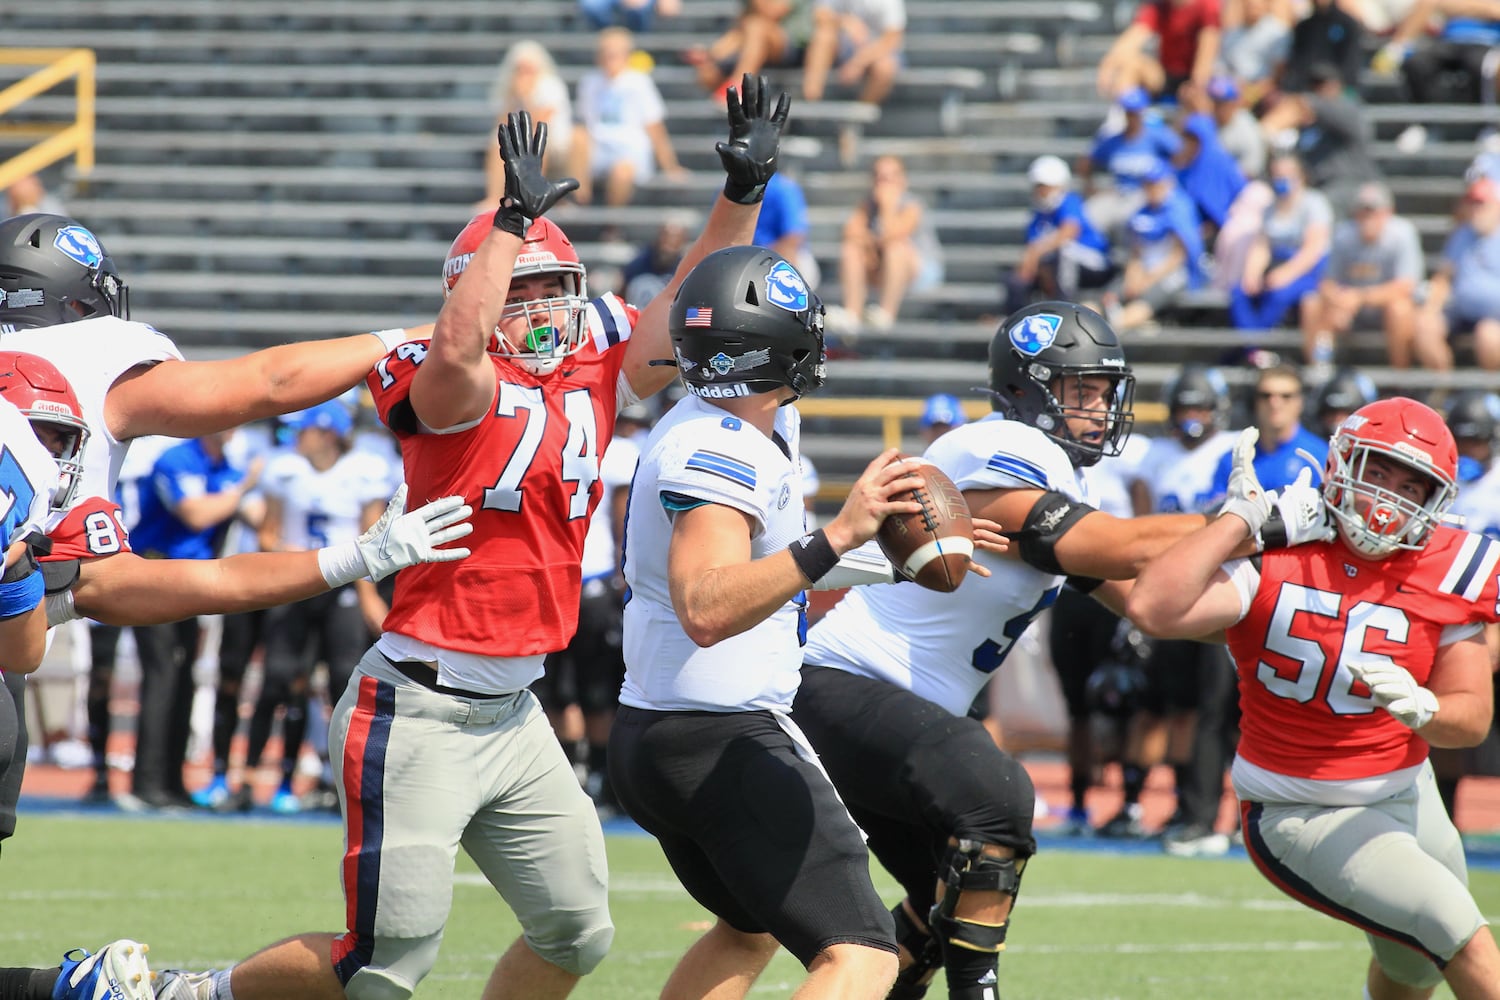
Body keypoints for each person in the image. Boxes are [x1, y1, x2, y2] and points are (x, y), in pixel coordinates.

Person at [153, 78, 795, 1000]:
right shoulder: (446, 377)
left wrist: (741, 195)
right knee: (381, 965)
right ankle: (193, 995)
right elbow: (455, 357)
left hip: (515, 709)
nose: (543, 311)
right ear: (480, 296)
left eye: (556, 289)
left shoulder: (592, 356)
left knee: (577, 931)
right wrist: (506, 228)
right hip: (415, 705)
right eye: (521, 292)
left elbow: (681, 316)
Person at [794, 302, 1329, 998]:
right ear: (1026, 389)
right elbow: (1120, 544)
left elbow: (1151, 603)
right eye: (1082, 390)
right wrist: (1248, 521)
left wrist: (1300, 610)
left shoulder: (1058, 477)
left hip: (889, 709)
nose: (1101, 407)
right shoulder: (998, 448)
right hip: (847, 685)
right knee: (1001, 801)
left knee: (939, 906)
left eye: (1105, 391)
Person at [0, 349, 470, 1000]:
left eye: (63, 441)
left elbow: (203, 581)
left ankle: (67, 987)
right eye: (43, 439)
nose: (59, 462)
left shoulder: (46, 531)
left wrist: (356, 558)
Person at [1128, 398, 1500, 1000]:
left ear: (1438, 500)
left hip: (1408, 789)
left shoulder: (1451, 567)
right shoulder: (1279, 549)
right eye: (1377, 472)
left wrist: (1425, 709)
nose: (1387, 499)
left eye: (1412, 485)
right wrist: (1240, 520)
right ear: (1342, 462)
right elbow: (1152, 607)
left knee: (1415, 968)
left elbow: (1472, 718)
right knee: (1460, 936)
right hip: (1301, 810)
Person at [611, 244, 903, 999]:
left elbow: (762, 566)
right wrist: (838, 536)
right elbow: (707, 605)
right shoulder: (717, 447)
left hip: (662, 730)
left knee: (749, 929)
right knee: (863, 954)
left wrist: (883, 560)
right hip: (719, 733)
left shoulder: (747, 422)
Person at [238, 400, 392, 814]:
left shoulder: (364, 470)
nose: (294, 438)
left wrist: (365, 595)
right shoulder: (285, 470)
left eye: (303, 430)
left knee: (345, 681)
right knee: (279, 679)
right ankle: (251, 779)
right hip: (295, 584)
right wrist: (298, 557)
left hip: (342, 587)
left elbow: (372, 540)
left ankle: (339, 781)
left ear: (326, 433)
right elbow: (267, 536)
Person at [122, 430, 257, 811]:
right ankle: (146, 784)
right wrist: (246, 487)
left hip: (193, 583)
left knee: (184, 679)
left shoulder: (225, 467)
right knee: (162, 674)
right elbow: (196, 515)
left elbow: (255, 515)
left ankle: (173, 782)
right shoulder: (176, 460)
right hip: (155, 574)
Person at [1301, 181, 1423, 371]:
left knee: (1399, 309)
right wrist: (1338, 299)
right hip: (1350, 308)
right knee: (1313, 304)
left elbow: (1405, 287)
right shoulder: (1344, 235)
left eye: (1373, 212)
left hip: (1382, 309)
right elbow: (1327, 283)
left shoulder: (1402, 235)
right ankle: (1320, 372)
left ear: (1387, 213)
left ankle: (1401, 377)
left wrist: (1360, 297)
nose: (1368, 219)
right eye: (1363, 213)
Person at [568, 27, 688, 207]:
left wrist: (670, 167)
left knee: (622, 171)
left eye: (614, 53)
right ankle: (579, 200)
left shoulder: (639, 82)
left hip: (629, 150)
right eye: (605, 53)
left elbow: (654, 126)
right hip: (598, 147)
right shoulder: (589, 82)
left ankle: (612, 222)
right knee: (578, 136)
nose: (609, 58)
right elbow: (585, 122)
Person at [825, 155, 942, 336]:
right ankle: (852, 313)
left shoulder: (912, 205)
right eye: (879, 177)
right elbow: (850, 233)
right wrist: (870, 244)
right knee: (851, 250)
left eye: (889, 177)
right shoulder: (867, 205)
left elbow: (893, 234)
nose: (883, 183)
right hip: (881, 267)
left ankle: (886, 314)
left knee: (896, 248)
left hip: (917, 270)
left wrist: (887, 206)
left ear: (902, 180)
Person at [1230, 154, 1332, 331]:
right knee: (1240, 292)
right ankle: (1251, 347)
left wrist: (1286, 274)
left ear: (1301, 175)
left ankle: (1252, 345)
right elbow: (1261, 246)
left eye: (1287, 174)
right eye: (1277, 174)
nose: (1282, 179)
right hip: (1276, 264)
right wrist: (1252, 274)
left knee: (1279, 295)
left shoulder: (1314, 203)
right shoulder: (1270, 208)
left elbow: (1313, 249)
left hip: (1307, 270)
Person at [1004, 155, 1113, 313]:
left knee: (1064, 252)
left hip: (1091, 261)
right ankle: (1016, 317)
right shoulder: (1038, 214)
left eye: (1045, 186)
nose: (1041, 191)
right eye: (1039, 186)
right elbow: (1033, 249)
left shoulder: (1069, 201)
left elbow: (1069, 231)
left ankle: (1064, 307)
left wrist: (1036, 252)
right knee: (1017, 279)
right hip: (1054, 266)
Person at [1414, 177, 1500, 373]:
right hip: (1459, 310)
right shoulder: (1462, 234)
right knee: (1425, 326)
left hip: (1495, 316)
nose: (1476, 209)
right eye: (1472, 203)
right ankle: (1443, 388)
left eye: (1482, 203)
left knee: (1488, 335)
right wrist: (1430, 309)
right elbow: (1443, 277)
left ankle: (1491, 394)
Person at [483, 40, 573, 205]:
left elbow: (542, 120)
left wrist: (526, 97)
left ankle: (531, 197)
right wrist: (514, 97)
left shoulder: (550, 86)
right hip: (520, 142)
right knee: (498, 142)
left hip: (554, 143)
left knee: (536, 141)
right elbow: (501, 122)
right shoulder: (508, 88)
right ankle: (494, 197)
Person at [1096, 0, 1222, 101]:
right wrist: (1108, 65)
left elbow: (1207, 50)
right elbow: (1130, 40)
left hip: (1196, 78)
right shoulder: (1159, 8)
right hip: (1166, 75)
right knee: (1131, 65)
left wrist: (1197, 84)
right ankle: (1123, 119)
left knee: (1202, 93)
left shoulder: (1206, 5)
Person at [801, 0, 907, 106]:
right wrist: (844, 21)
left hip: (875, 50)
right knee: (823, 36)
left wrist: (858, 62)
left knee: (885, 67)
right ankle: (810, 101)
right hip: (842, 45)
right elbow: (819, 14)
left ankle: (859, 114)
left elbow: (891, 39)